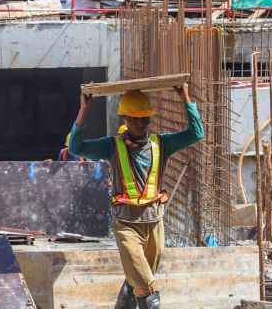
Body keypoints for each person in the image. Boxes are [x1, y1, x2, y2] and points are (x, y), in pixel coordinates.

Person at [68, 84, 204, 309]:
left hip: (155, 225)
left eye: (145, 119)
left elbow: (196, 133)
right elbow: (76, 147)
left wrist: (186, 98)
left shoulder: (162, 144)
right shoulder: (111, 146)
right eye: (134, 119)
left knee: (136, 282)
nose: (140, 125)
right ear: (124, 118)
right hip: (127, 226)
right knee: (147, 289)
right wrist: (84, 110)